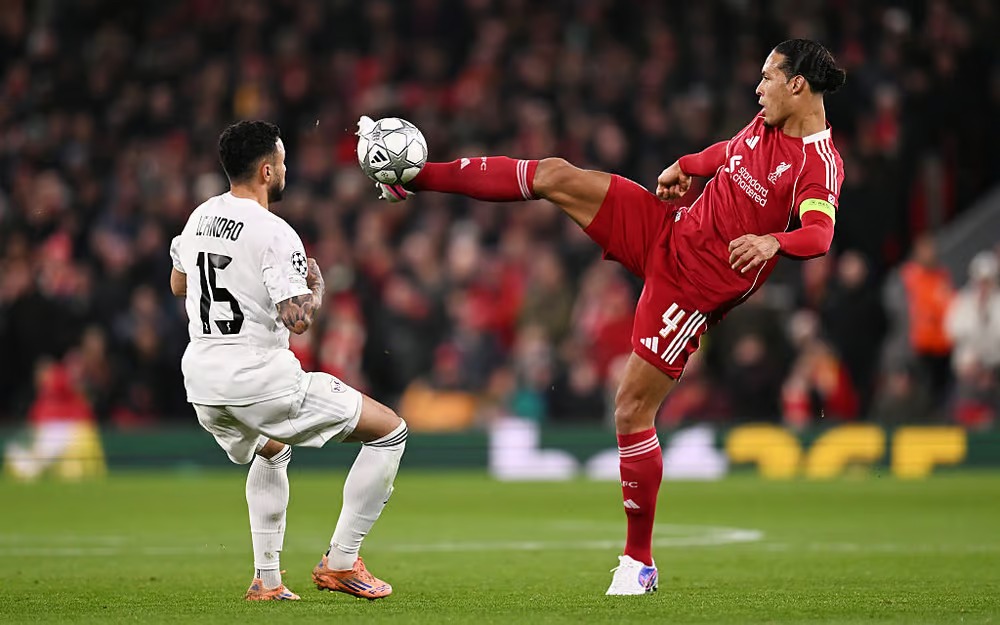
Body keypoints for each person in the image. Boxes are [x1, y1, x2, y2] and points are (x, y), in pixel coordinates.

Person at [363, 39, 845, 595]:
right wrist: (686, 165)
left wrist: (773, 242)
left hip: (691, 291)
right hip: (667, 230)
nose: (757, 89)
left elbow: (819, 234)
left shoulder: (818, 163)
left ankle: (639, 562)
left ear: (796, 85)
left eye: (767, 78)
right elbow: (729, 154)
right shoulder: (765, 123)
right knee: (555, 174)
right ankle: (412, 177)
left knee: (631, 411)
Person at [169, 121, 406, 601]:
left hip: (202, 379)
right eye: (281, 161)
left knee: (271, 448)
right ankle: (342, 563)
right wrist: (316, 288)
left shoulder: (200, 216)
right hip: (258, 376)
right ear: (266, 170)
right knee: (389, 431)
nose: (285, 169)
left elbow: (179, 283)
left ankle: (267, 581)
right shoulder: (275, 231)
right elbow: (297, 321)